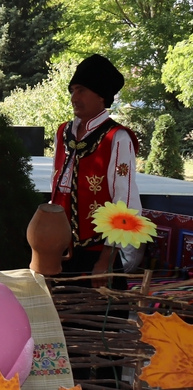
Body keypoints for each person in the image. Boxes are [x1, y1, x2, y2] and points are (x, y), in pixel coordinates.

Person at [50, 54, 141, 277]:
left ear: (101, 96)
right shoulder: (63, 133)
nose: (74, 97)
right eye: (72, 90)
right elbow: (57, 192)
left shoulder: (116, 138)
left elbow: (125, 202)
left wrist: (107, 257)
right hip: (59, 248)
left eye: (81, 90)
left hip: (98, 251)